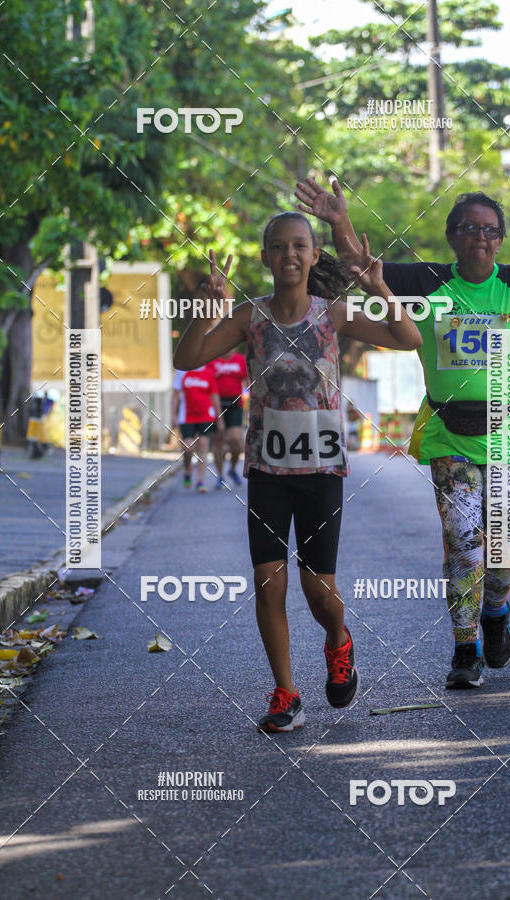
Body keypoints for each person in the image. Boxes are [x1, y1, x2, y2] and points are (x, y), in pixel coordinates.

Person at [296, 172, 510, 689]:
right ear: (453, 237)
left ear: (500, 239)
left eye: (491, 230)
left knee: (501, 559)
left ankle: (496, 613)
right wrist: (339, 220)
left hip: (502, 436)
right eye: (471, 229)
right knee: (463, 545)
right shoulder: (429, 283)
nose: (482, 237)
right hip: (449, 436)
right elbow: (363, 268)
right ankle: (465, 651)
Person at [174, 219, 421, 731]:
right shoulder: (251, 317)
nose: (290, 254)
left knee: (318, 590)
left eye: (300, 246)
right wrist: (205, 305)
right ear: (265, 258)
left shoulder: (332, 315)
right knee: (268, 584)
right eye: (279, 247)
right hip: (268, 467)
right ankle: (286, 692)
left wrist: (378, 287)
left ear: (312, 257)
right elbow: (187, 357)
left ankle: (338, 640)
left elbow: (408, 337)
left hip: (321, 469)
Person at [173, 364, 225, 492]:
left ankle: (200, 481)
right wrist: (173, 415)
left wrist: (219, 418)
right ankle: (187, 469)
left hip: (206, 415)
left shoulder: (208, 372)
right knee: (188, 447)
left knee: (203, 445)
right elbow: (175, 395)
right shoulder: (182, 371)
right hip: (187, 416)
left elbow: (214, 396)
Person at [211, 350, 247, 489]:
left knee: (236, 439)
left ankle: (232, 468)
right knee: (218, 441)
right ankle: (220, 476)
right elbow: (209, 382)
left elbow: (247, 381)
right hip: (217, 404)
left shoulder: (240, 360)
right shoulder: (213, 360)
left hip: (235, 404)